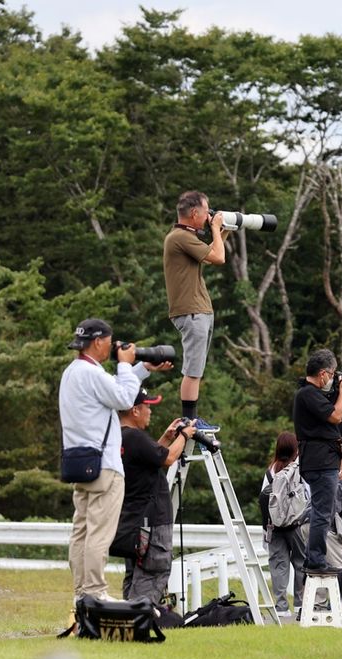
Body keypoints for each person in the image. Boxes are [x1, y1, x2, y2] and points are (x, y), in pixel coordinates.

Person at [59, 318, 168, 602]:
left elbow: (114, 390)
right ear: (98, 342)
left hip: (80, 463)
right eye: (109, 342)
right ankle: (95, 592)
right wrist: (124, 364)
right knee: (98, 533)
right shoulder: (92, 373)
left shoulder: (73, 372)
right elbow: (123, 397)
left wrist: (141, 368)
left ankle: (81, 592)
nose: (112, 347)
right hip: (105, 466)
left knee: (81, 532)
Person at [294, 349, 342, 574]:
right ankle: (316, 559)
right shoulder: (308, 394)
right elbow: (337, 416)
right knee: (323, 512)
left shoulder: (313, 395)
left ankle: (315, 558)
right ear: (322, 374)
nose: (333, 378)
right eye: (331, 374)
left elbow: (335, 417)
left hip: (322, 459)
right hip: (320, 460)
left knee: (325, 510)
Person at [116, 388, 194, 604]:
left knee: (134, 576)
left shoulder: (118, 436)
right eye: (148, 406)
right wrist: (186, 435)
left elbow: (151, 458)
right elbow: (168, 459)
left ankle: (124, 619)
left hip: (133, 520)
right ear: (135, 410)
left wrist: (166, 438)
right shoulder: (136, 436)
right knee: (154, 572)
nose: (150, 410)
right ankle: (137, 619)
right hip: (153, 521)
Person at [163, 190, 225, 426]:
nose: (208, 216)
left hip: (198, 309)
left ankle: (191, 419)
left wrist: (221, 232)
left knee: (196, 367)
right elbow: (219, 257)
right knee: (193, 369)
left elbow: (211, 254)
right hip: (191, 310)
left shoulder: (182, 238)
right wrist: (217, 230)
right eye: (206, 211)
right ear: (194, 212)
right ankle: (189, 421)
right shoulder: (180, 236)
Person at [259, 432, 306, 618]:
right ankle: (301, 604)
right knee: (301, 564)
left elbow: (263, 499)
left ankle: (281, 607)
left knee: (279, 566)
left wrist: (266, 528)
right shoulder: (299, 470)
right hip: (297, 524)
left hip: (275, 527)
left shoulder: (270, 471)